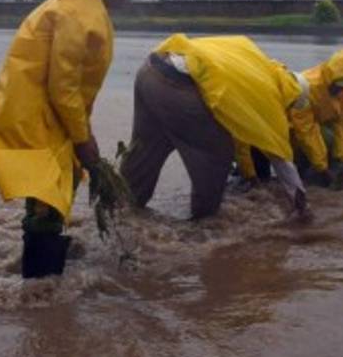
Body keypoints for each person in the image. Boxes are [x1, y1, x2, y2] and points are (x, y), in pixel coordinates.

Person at [0, 0, 132, 278]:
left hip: (44, 114)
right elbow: (62, 87)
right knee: (45, 202)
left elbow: (73, 87)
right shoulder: (81, 14)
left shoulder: (84, 9)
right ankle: (39, 292)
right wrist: (83, 140)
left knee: (53, 194)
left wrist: (82, 132)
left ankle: (43, 277)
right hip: (35, 117)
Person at [120, 33, 312, 221]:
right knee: (217, 154)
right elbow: (281, 159)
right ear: (291, 98)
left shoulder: (255, 60)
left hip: (152, 68)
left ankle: (122, 208)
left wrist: (250, 175)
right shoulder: (270, 101)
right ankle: (204, 225)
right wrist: (300, 204)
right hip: (177, 86)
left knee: (147, 147)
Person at [289, 48, 343, 185]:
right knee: (326, 137)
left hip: (317, 125)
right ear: (329, 77)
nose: (340, 91)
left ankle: (330, 162)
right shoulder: (307, 88)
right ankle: (304, 169)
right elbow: (306, 131)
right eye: (338, 86)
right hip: (293, 129)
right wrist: (322, 167)